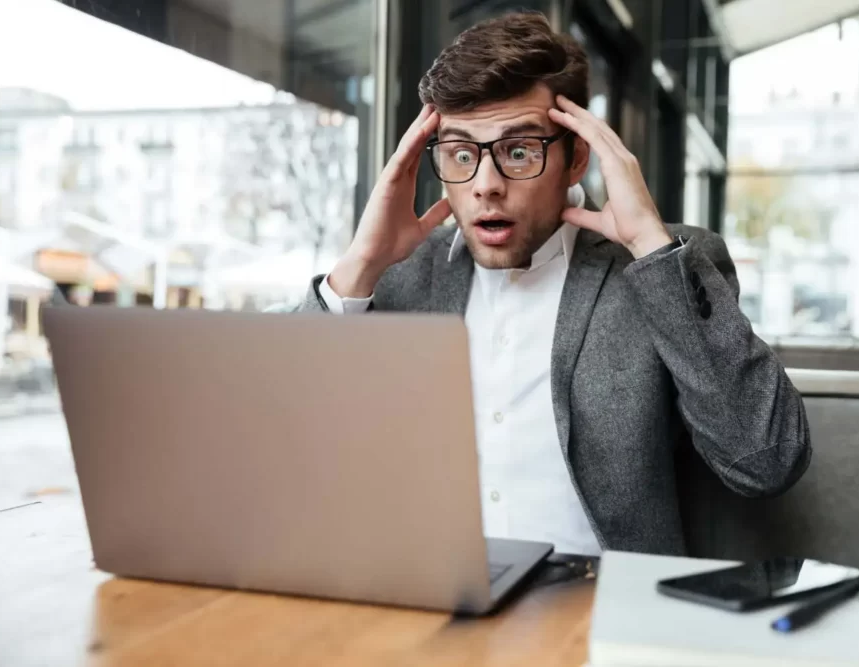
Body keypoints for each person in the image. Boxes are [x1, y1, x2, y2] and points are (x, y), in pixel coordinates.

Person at [296, 12, 811, 557]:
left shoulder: (663, 268)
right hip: (423, 602)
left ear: (576, 157)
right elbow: (281, 445)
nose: (486, 186)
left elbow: (767, 460)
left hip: (599, 612)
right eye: (461, 154)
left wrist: (650, 247)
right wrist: (359, 264)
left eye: (519, 152)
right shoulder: (397, 276)